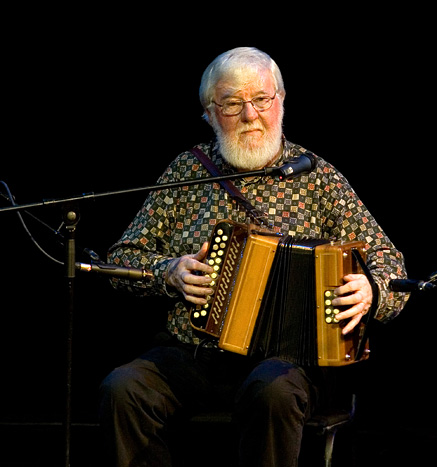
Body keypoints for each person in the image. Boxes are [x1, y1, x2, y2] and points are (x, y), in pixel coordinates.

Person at [98, 46, 410, 466]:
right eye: (232, 103)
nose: (250, 115)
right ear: (210, 113)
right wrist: (167, 271)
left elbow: (391, 265)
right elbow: (121, 260)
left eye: (261, 99)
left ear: (280, 100)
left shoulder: (318, 177)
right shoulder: (187, 172)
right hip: (193, 353)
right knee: (122, 388)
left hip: (286, 363)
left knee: (273, 392)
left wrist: (371, 290)